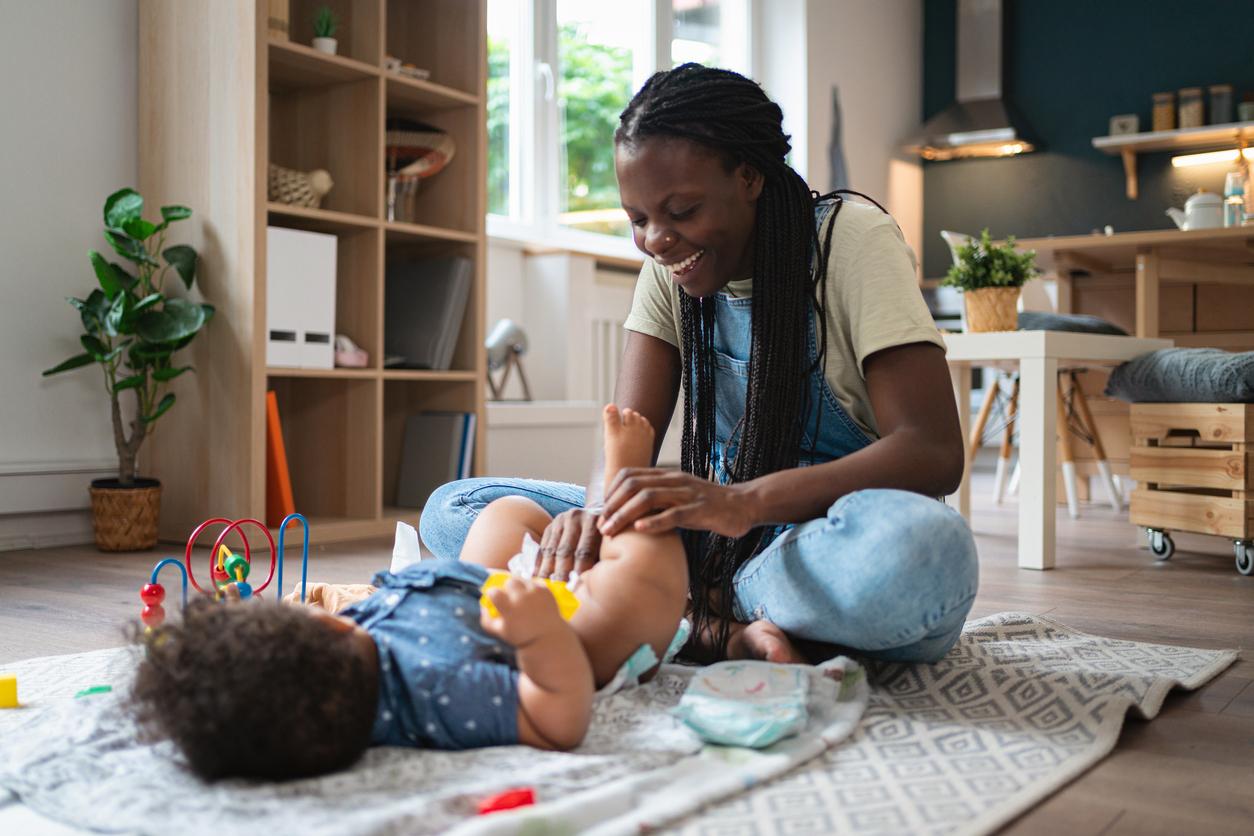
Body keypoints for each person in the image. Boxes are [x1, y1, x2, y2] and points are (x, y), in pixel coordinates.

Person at [421, 63, 978, 666]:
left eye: (681, 210)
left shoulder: (850, 239)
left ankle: (669, 612)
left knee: (925, 551)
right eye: (638, 220)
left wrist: (743, 503)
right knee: (455, 509)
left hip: (817, 539)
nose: (657, 240)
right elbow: (626, 435)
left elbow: (933, 452)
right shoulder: (666, 271)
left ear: (748, 176)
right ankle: (717, 630)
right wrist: (597, 513)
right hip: (708, 540)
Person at [128, 406, 686, 781]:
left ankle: (589, 536)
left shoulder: (352, 660)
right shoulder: (439, 691)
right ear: (326, 630)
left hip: (489, 591)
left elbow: (396, 602)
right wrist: (539, 633)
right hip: (568, 636)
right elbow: (559, 719)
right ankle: (624, 479)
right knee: (638, 585)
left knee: (502, 511)